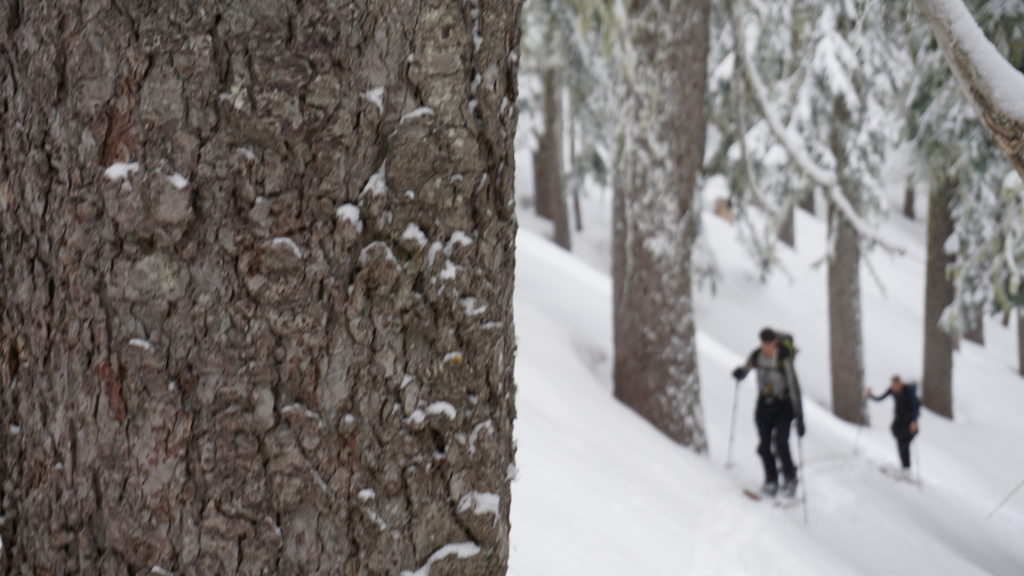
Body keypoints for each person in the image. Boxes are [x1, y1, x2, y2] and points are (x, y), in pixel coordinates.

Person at [732, 328, 805, 497]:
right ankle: (771, 480)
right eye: (763, 343)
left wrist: (799, 417)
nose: (766, 347)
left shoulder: (783, 359)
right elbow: (746, 369)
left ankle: (790, 478)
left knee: (781, 442)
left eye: (769, 343)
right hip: (764, 404)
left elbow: (794, 387)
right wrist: (740, 373)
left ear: (775, 343)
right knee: (764, 445)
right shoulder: (757, 355)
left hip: (784, 405)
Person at [866, 376, 920, 475]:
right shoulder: (892, 390)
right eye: (893, 386)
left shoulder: (908, 392)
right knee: (900, 443)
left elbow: (916, 407)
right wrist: (871, 396)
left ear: (901, 384)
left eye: (897, 386)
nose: (895, 388)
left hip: (909, 422)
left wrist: (914, 422)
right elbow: (880, 398)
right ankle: (905, 468)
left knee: (904, 445)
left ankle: (907, 468)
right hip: (899, 422)